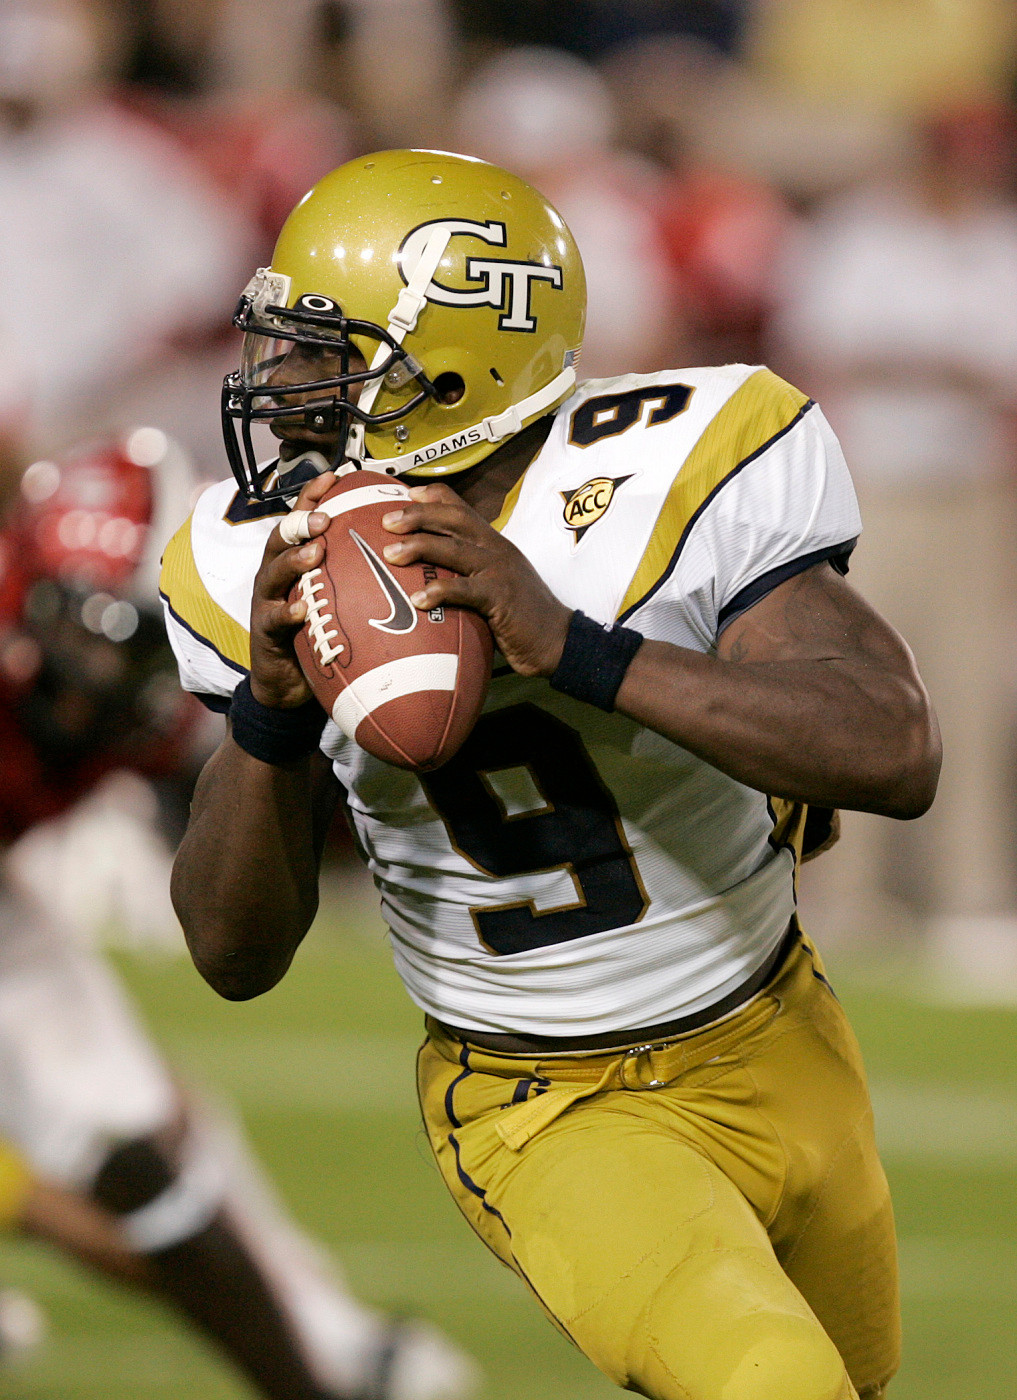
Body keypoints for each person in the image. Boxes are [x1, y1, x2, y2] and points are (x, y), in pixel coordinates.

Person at [162, 150, 941, 1400]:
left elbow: (894, 749)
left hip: (782, 1028)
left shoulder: (677, 461)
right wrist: (267, 714)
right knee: (772, 1381)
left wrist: (574, 647)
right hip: (546, 1101)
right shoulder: (252, 555)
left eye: (327, 355)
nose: (284, 389)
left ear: (454, 367)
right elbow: (231, 954)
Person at [0, 428, 479, 1400]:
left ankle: (327, 1345)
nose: (87, 676)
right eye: (72, 627)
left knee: (145, 1135)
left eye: (119, 643)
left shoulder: (164, 680)